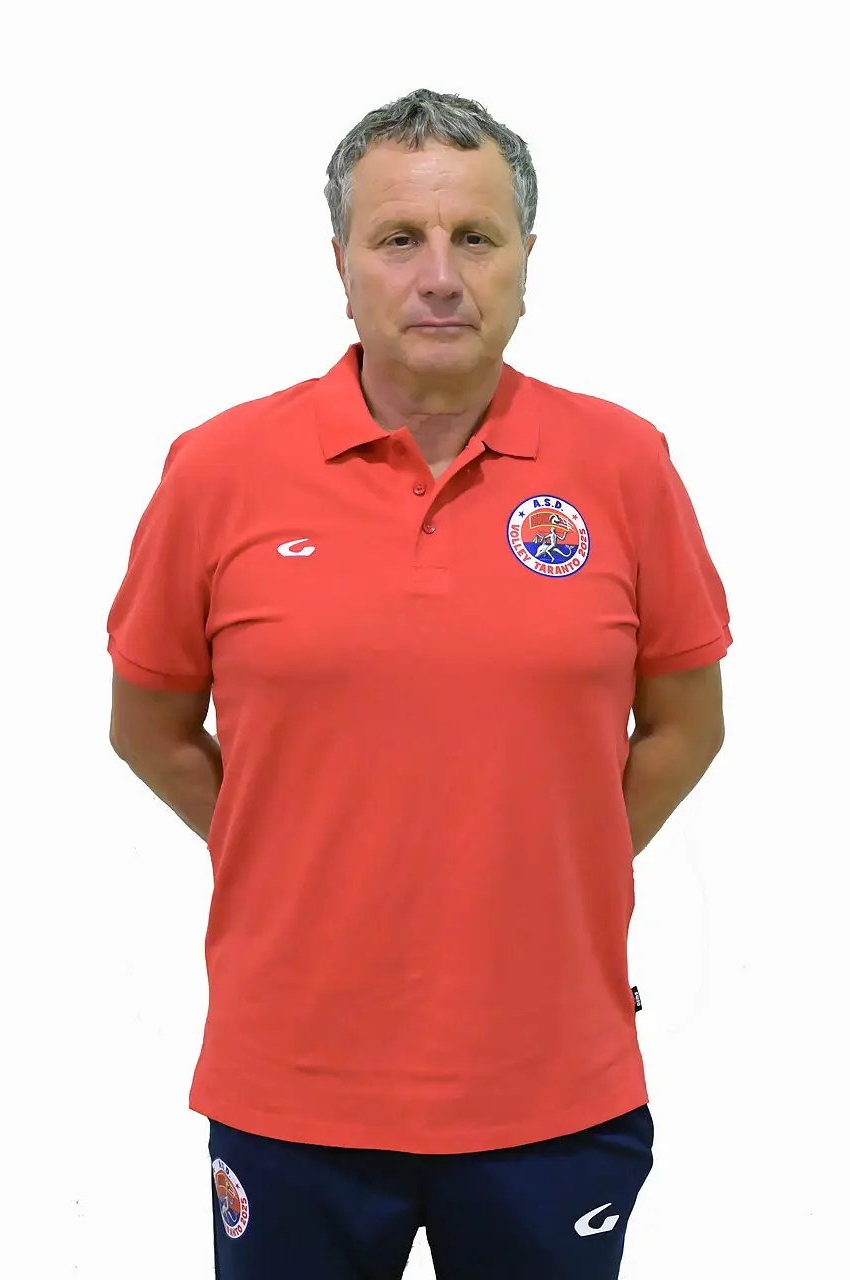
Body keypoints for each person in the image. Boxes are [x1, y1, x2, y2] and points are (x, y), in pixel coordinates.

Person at [107, 87, 732, 1280]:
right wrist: (286, 839)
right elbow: (149, 725)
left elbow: (686, 723)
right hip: (292, 1084)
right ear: (340, 265)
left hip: (554, 1084)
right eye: (399, 238)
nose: (439, 276)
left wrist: (555, 851)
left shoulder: (623, 462)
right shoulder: (219, 469)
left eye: (474, 237)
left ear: (526, 260)